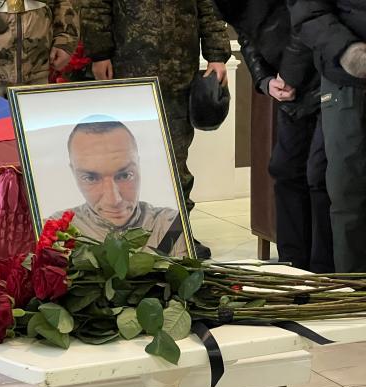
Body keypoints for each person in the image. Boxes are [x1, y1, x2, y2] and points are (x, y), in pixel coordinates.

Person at [80, 0, 231, 259]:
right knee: (129, 160)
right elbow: (97, 5)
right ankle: (132, 238)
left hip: (179, 74)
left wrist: (217, 56)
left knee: (176, 160)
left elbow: (209, 6)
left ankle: (177, 235)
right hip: (129, 71)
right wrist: (100, 53)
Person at [213, 0, 335, 273]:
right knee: (285, 169)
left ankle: (324, 272)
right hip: (290, 90)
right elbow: (246, 36)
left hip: (325, 77)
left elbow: (307, 23)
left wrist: (288, 76)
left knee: (319, 174)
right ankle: (291, 266)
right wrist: (265, 81)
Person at [288, 0, 366, 273]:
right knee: (349, 193)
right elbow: (308, 12)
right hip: (349, 81)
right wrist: (348, 52)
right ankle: (354, 289)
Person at [55, 117, 190, 257]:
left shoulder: (169, 225)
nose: (114, 200)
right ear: (73, 173)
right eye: (91, 178)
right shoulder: (55, 230)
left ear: (139, 166)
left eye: (125, 175)